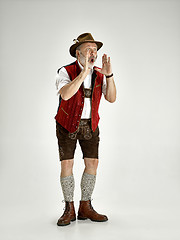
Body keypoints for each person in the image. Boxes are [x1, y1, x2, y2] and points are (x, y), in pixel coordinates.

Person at [55, 33, 116, 226]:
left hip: (91, 125)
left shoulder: (99, 73)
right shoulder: (65, 71)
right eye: (89, 49)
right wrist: (84, 73)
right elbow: (66, 95)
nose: (93, 53)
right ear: (78, 53)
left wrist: (109, 75)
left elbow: (112, 98)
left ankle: (85, 206)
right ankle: (69, 208)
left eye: (95, 49)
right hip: (67, 124)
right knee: (67, 165)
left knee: (93, 164)